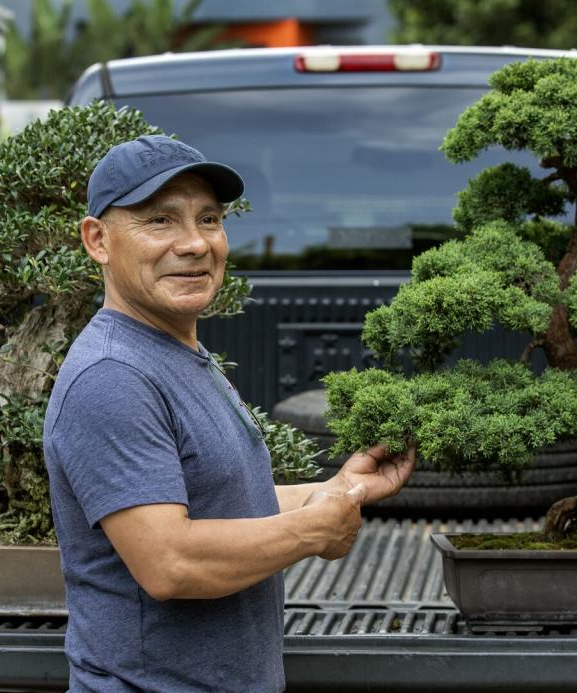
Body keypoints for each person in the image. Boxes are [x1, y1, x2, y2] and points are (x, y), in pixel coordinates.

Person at [43, 135, 416, 692]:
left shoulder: (176, 351)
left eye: (209, 218)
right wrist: (314, 530)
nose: (194, 244)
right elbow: (171, 562)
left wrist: (339, 489)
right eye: (160, 222)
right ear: (97, 239)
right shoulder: (113, 378)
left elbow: (216, 495)